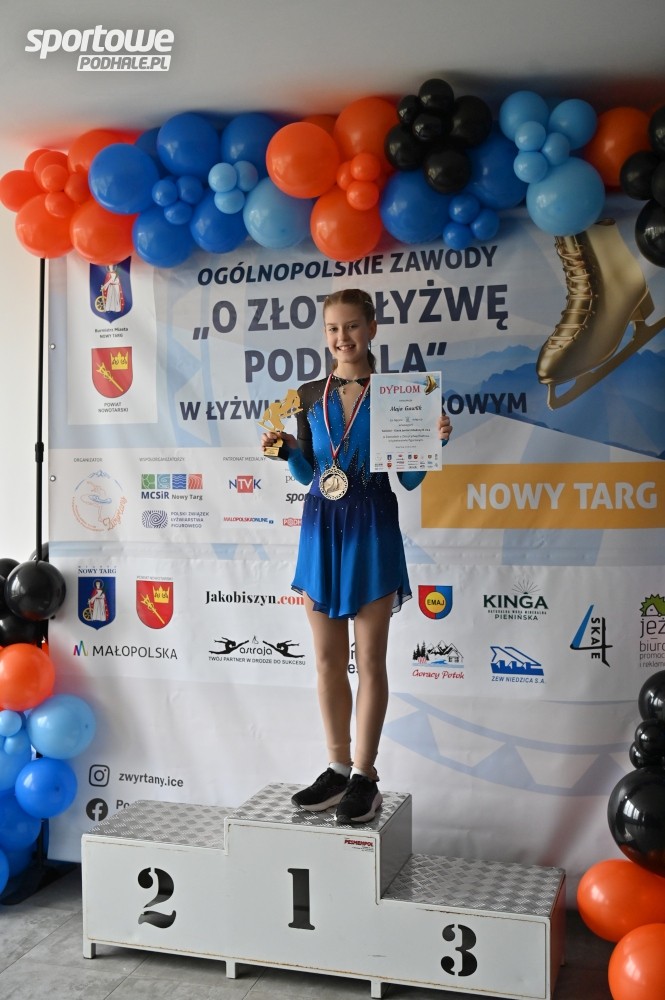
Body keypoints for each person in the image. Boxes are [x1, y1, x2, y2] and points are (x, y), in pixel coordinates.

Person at [260, 288, 453, 824]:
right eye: (332, 328)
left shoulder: (400, 394)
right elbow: (308, 473)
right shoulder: (307, 394)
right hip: (321, 528)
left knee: (369, 661)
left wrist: (434, 442)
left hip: (372, 528)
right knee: (326, 660)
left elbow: (408, 479)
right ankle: (337, 767)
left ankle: (365, 777)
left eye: (351, 326)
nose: (341, 337)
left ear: (371, 328)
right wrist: (287, 452)